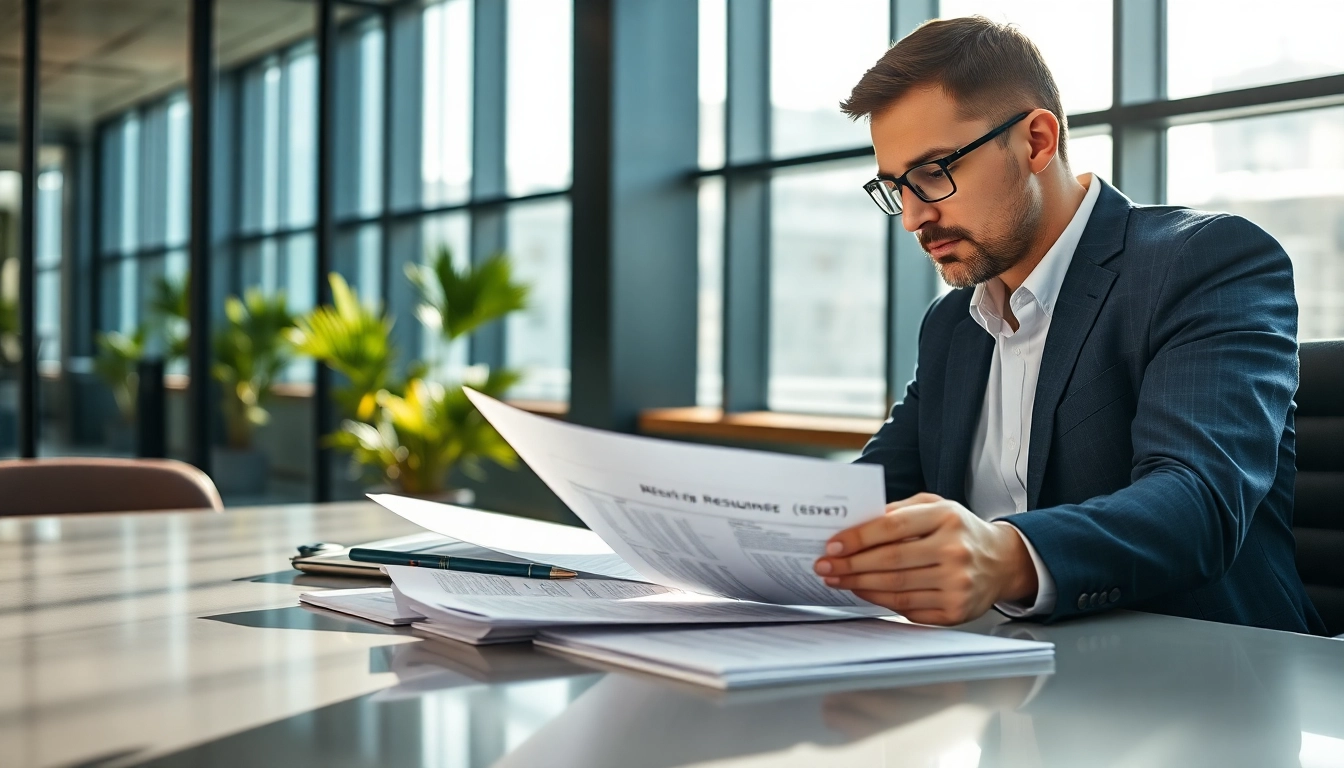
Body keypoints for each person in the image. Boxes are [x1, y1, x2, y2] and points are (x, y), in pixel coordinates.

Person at [812, 15, 1324, 634]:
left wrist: (1004, 557)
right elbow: (869, 500)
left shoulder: (1204, 263)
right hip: (1005, 672)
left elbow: (1197, 502)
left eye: (933, 174)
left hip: (1205, 671)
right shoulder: (952, 324)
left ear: (1036, 141)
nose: (913, 218)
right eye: (897, 187)